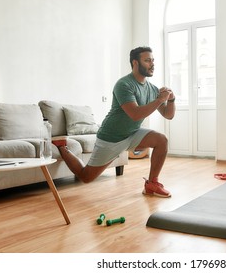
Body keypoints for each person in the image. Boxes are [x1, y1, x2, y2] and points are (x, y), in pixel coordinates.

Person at [53, 46, 176, 197]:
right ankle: (62, 148)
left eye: (153, 60)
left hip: (132, 133)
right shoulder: (124, 84)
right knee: (85, 177)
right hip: (111, 137)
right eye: (147, 60)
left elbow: (168, 115)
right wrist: (159, 100)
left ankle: (151, 184)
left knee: (161, 140)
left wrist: (171, 100)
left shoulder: (152, 89)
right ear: (135, 63)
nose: (152, 64)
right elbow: (135, 114)